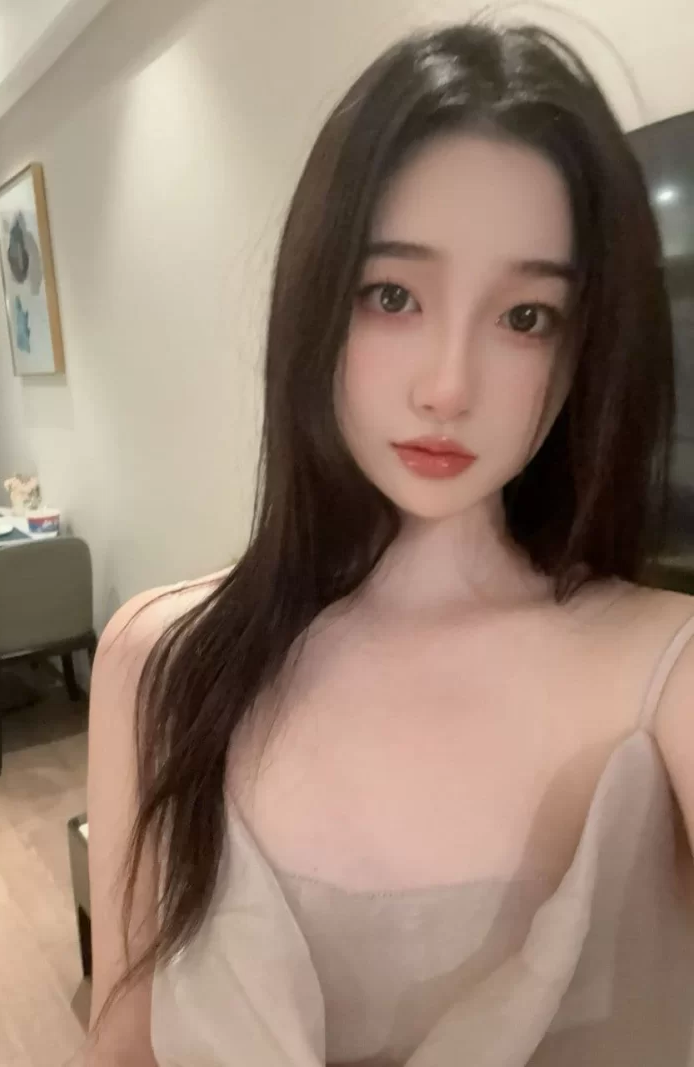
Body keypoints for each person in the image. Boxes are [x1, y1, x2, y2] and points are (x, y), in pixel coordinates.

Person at [82, 21, 694, 1067]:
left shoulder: (666, 668)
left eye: (527, 316)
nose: (447, 386)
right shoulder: (164, 658)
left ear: (585, 342)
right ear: (319, 298)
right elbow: (123, 1045)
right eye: (394, 296)